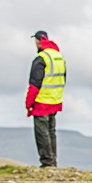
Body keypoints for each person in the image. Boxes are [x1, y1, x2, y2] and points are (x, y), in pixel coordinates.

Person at [25, 30, 66, 167]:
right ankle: (52, 160)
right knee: (51, 132)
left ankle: (47, 162)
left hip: (42, 101)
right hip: (55, 100)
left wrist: (29, 103)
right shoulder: (58, 57)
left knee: (42, 133)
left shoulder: (41, 58)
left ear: (37, 41)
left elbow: (34, 84)